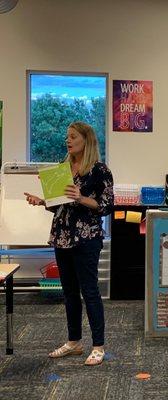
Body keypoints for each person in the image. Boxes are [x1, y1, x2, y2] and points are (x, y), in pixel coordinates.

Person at [24, 121, 113, 366]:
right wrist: (42, 201)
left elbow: (105, 206)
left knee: (90, 291)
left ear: (86, 140)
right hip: (62, 236)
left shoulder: (99, 170)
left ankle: (98, 345)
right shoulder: (63, 168)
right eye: (67, 137)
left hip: (86, 238)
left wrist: (81, 197)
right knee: (70, 292)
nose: (68, 140)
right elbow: (58, 204)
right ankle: (74, 342)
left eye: (73, 136)